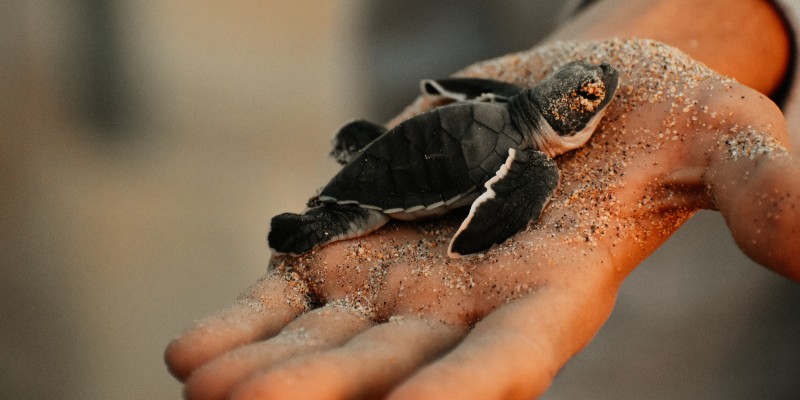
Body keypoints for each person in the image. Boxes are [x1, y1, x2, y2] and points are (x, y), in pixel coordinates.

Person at [165, 1, 800, 399]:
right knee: (359, 213)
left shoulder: (504, 107)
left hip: (708, 349)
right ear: (552, 108)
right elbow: (440, 73)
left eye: (591, 90)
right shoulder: (533, 167)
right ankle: (320, 221)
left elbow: (456, 87)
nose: (599, 88)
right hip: (433, 105)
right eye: (584, 94)